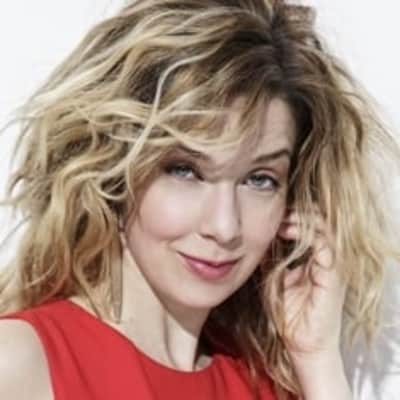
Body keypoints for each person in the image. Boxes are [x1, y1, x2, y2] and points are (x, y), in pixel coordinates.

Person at [0, 0, 399, 399]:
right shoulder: (21, 362)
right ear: (114, 169)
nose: (224, 227)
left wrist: (319, 361)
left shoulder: (265, 382)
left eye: (259, 179)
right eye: (184, 170)